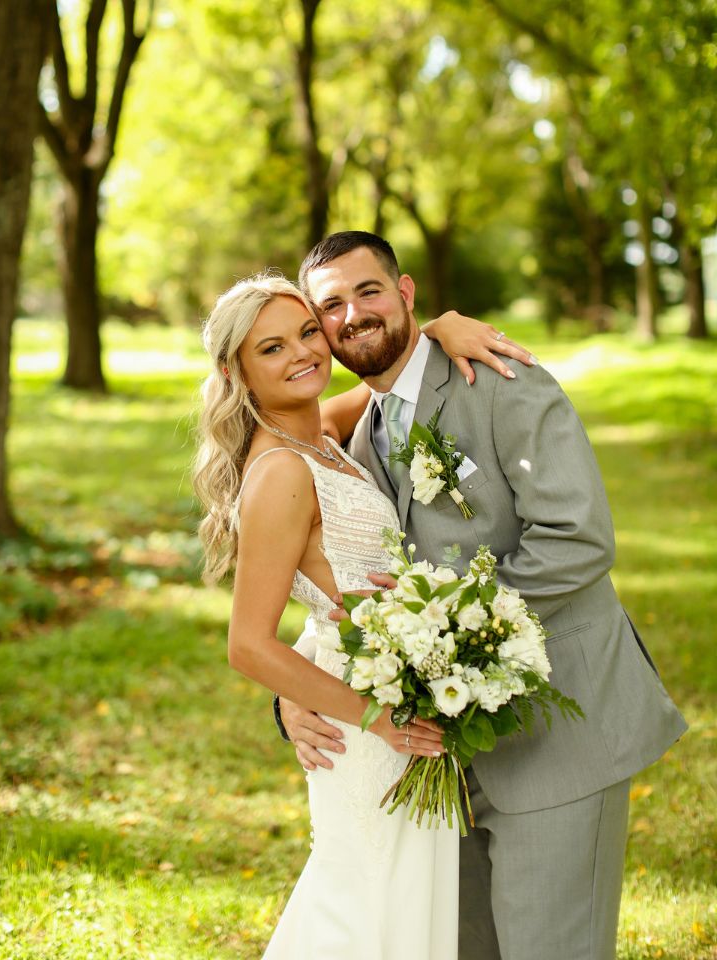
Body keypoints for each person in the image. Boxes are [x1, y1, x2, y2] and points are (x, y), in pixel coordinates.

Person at [277, 231, 688, 960]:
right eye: (329, 306)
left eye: (369, 291)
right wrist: (295, 687)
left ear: (406, 293)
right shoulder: (354, 434)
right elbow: (342, 582)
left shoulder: (501, 381)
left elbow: (577, 537)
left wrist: (451, 643)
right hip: (442, 761)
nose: (352, 315)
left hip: (561, 738)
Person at [193, 272, 535, 959]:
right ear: (238, 373)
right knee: (366, 906)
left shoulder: (317, 431)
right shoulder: (283, 471)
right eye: (271, 349)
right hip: (366, 721)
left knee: (403, 904)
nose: (301, 355)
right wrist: (377, 715)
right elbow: (248, 645)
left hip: (392, 692)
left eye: (307, 333)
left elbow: (392, 379)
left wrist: (436, 327)